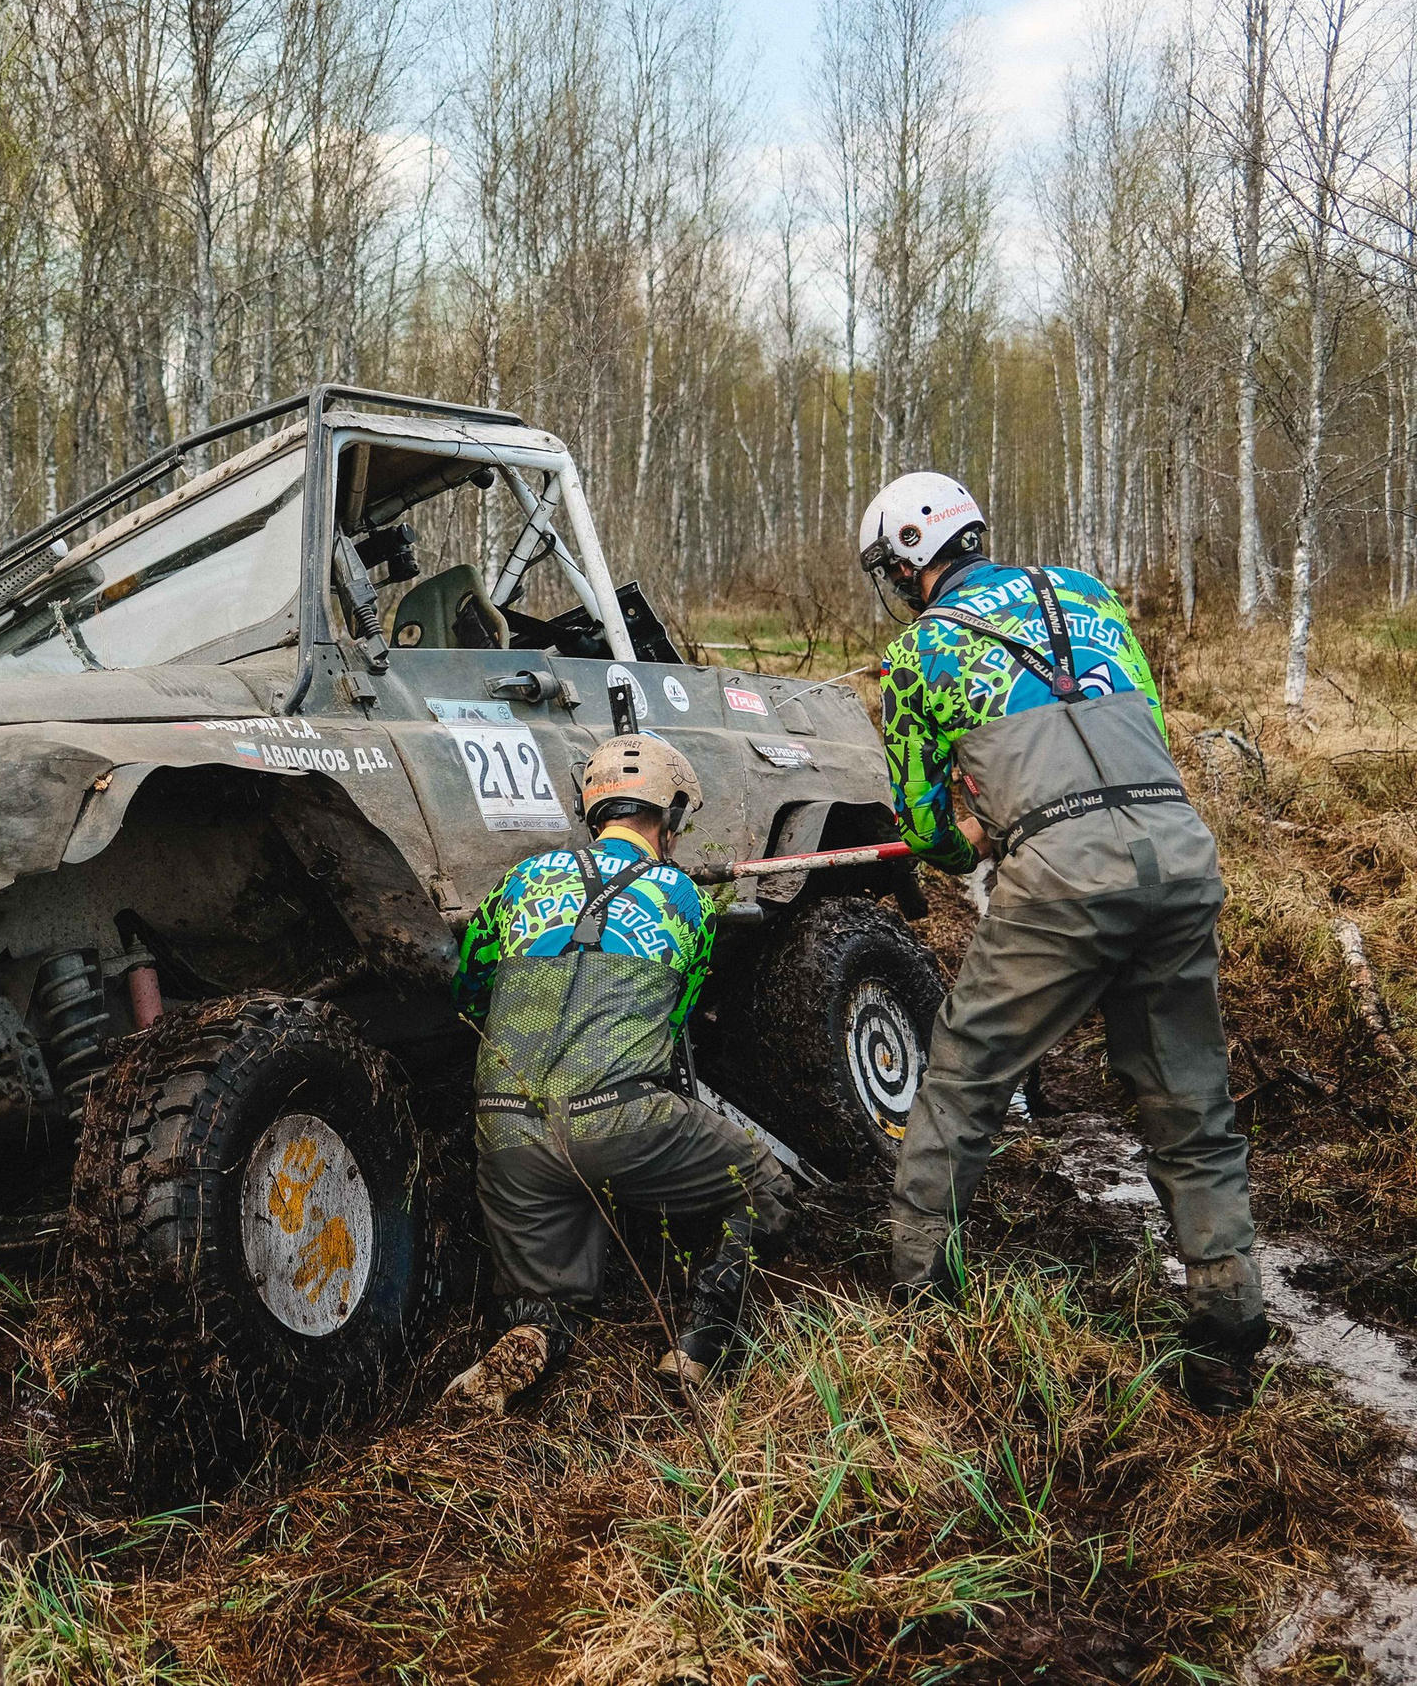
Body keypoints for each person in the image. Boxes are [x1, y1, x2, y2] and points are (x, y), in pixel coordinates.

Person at [858, 471, 1264, 1413]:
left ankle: (919, 1313)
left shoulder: (919, 651)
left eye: (892, 565)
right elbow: (1150, 731)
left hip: (1064, 876)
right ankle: (1229, 1333)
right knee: (1190, 1102)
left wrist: (975, 835)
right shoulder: (1087, 592)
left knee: (962, 1074)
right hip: (1178, 853)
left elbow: (922, 823)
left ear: (912, 555)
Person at [441, 733, 793, 1414]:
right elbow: (678, 1020)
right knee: (762, 1185)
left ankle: (530, 1331)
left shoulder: (521, 879)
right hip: (616, 1117)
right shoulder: (686, 897)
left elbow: (470, 991)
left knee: (549, 1294)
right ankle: (699, 1347)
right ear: (672, 816)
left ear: (589, 808)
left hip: (506, 1128)